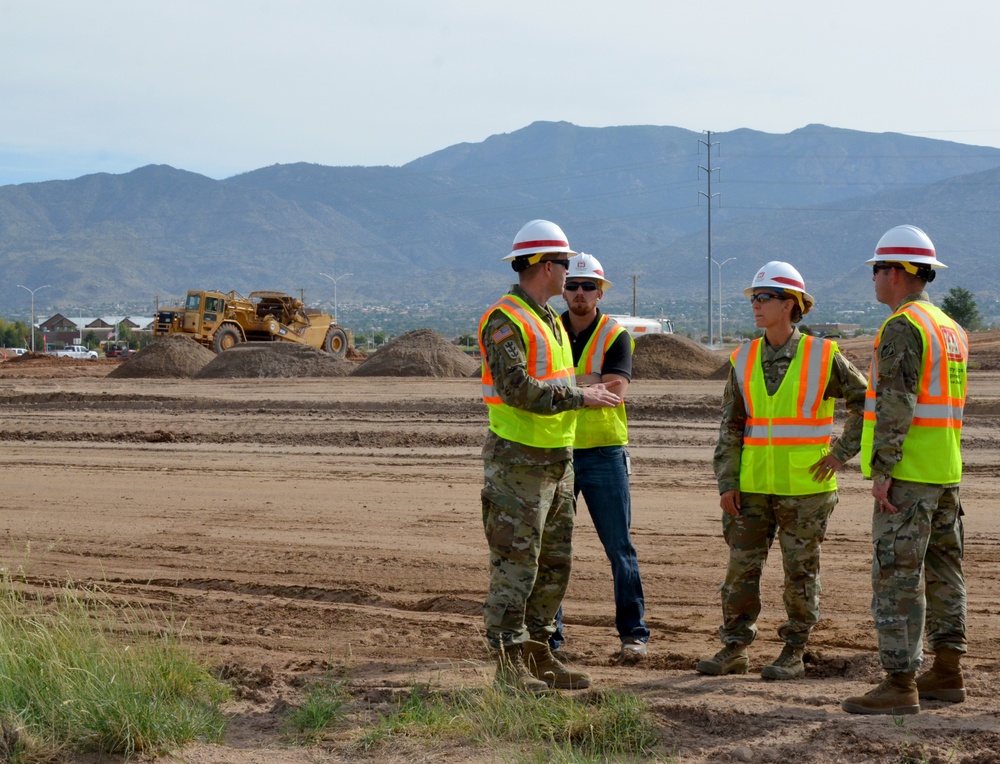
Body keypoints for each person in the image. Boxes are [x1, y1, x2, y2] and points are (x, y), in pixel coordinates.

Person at [698, 261, 867, 681]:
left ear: (790, 304)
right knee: (740, 572)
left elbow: (866, 403)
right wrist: (727, 481)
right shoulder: (744, 357)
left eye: (763, 298)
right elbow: (731, 425)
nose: (754, 306)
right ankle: (735, 648)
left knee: (800, 574)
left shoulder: (823, 355)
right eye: (753, 298)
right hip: (751, 487)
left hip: (804, 488)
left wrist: (841, 452)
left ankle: (794, 651)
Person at [479, 219, 622, 694]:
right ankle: (507, 665)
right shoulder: (505, 319)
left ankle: (540, 654)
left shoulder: (545, 317)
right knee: (515, 567)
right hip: (518, 464)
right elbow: (518, 389)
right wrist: (583, 396)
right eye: (564, 263)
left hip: (556, 461)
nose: (570, 272)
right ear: (543, 265)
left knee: (554, 564)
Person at [842, 225, 968, 715]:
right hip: (946, 472)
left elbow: (896, 404)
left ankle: (900, 682)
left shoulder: (903, 326)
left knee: (895, 576)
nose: (873, 279)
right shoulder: (950, 327)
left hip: (910, 474)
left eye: (876, 269)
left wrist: (882, 470)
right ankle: (947, 670)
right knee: (944, 572)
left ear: (896, 272)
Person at [548, 252, 650, 662]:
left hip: (605, 454)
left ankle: (634, 634)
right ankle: (549, 638)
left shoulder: (615, 335)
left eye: (587, 286)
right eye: (572, 285)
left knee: (619, 548)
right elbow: (541, 384)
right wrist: (587, 384)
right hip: (559, 450)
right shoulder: (548, 329)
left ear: (600, 291)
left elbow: (613, 393)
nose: (578, 293)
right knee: (552, 549)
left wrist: (565, 384)